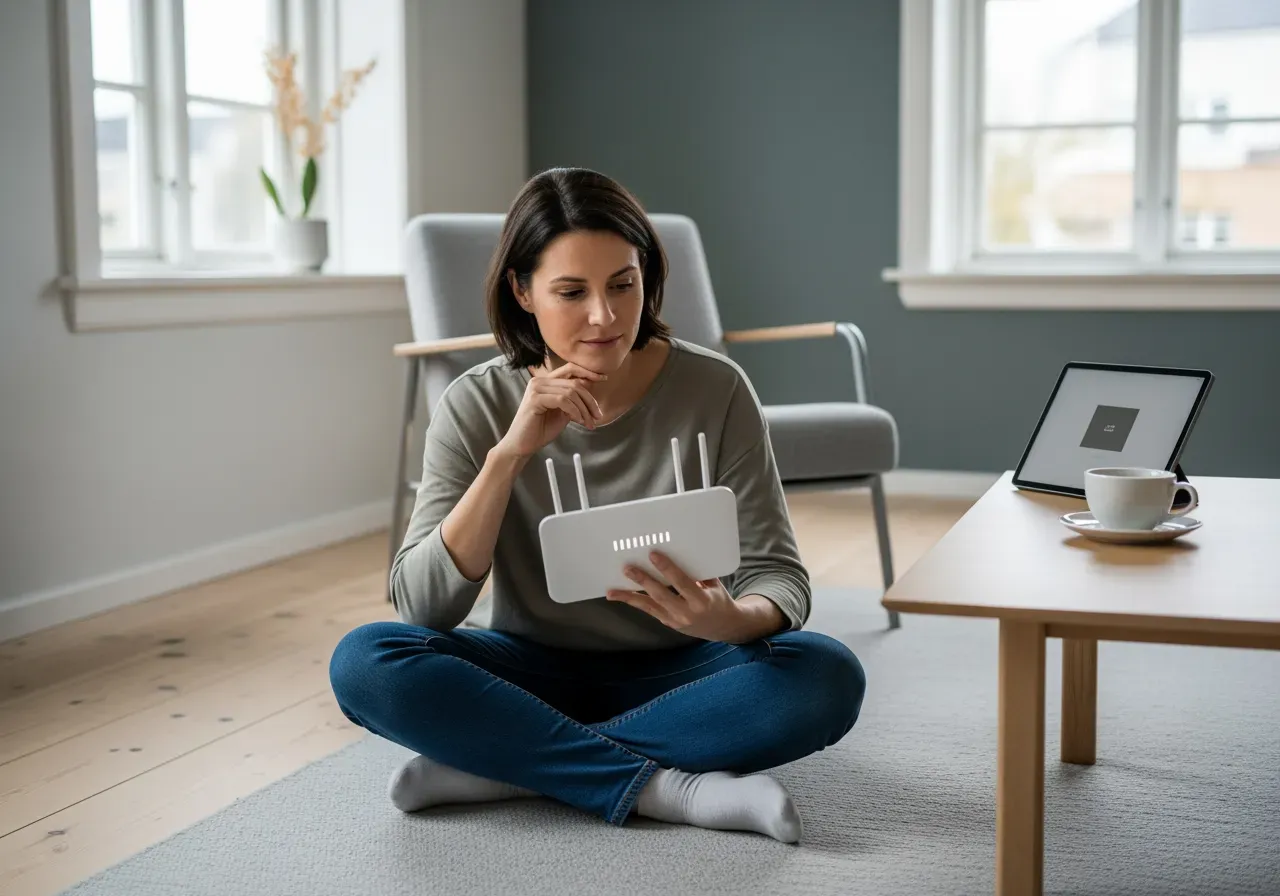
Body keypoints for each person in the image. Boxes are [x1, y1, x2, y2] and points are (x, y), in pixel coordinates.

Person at [328, 167, 866, 843]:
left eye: (623, 284)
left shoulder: (716, 388)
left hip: (686, 669)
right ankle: (670, 788)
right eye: (571, 292)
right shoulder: (475, 403)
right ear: (522, 291)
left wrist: (730, 619)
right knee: (365, 660)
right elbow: (424, 606)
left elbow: (779, 577)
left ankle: (510, 767)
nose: (605, 317)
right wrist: (509, 456)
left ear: (648, 277)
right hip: (529, 671)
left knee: (826, 675)